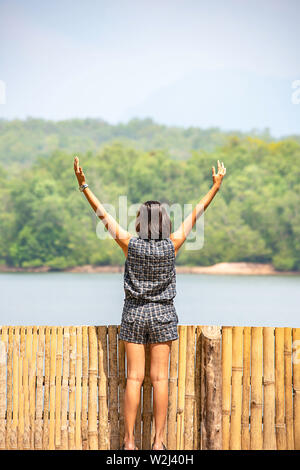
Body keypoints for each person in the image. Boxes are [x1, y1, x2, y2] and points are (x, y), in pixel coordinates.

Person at [74, 156, 226, 450]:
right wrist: (215, 188)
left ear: (141, 222)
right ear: (166, 222)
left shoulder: (130, 243)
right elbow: (197, 211)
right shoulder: (174, 243)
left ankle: (129, 442)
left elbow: (102, 214)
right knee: (159, 380)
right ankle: (158, 443)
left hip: (133, 314)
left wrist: (84, 186)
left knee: (133, 379)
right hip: (163, 316)